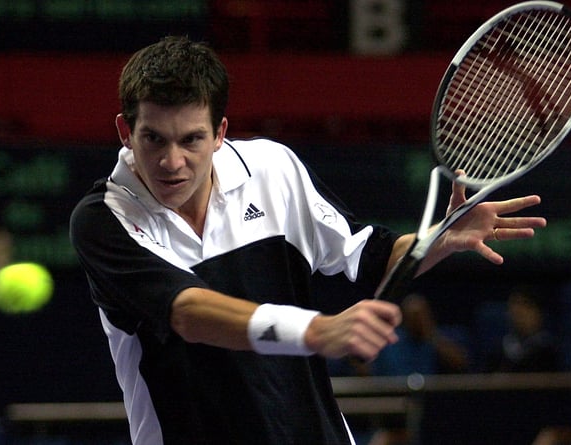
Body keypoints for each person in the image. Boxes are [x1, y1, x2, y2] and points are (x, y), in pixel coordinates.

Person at [69, 36, 547, 445]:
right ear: (125, 132)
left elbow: (372, 256)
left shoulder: (274, 170)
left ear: (220, 133)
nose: (173, 162)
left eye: (191, 139)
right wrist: (318, 331)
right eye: (154, 140)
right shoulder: (104, 218)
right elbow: (189, 312)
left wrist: (438, 240)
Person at [373, 292, 470, 376]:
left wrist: (430, 335)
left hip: (433, 393)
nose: (416, 321)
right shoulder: (391, 341)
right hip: (397, 392)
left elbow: (461, 363)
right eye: (412, 316)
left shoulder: (443, 337)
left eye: (420, 316)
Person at [486, 286, 559, 373]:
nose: (518, 311)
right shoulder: (498, 351)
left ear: (539, 313)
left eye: (526, 304)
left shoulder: (549, 351)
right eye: (513, 304)